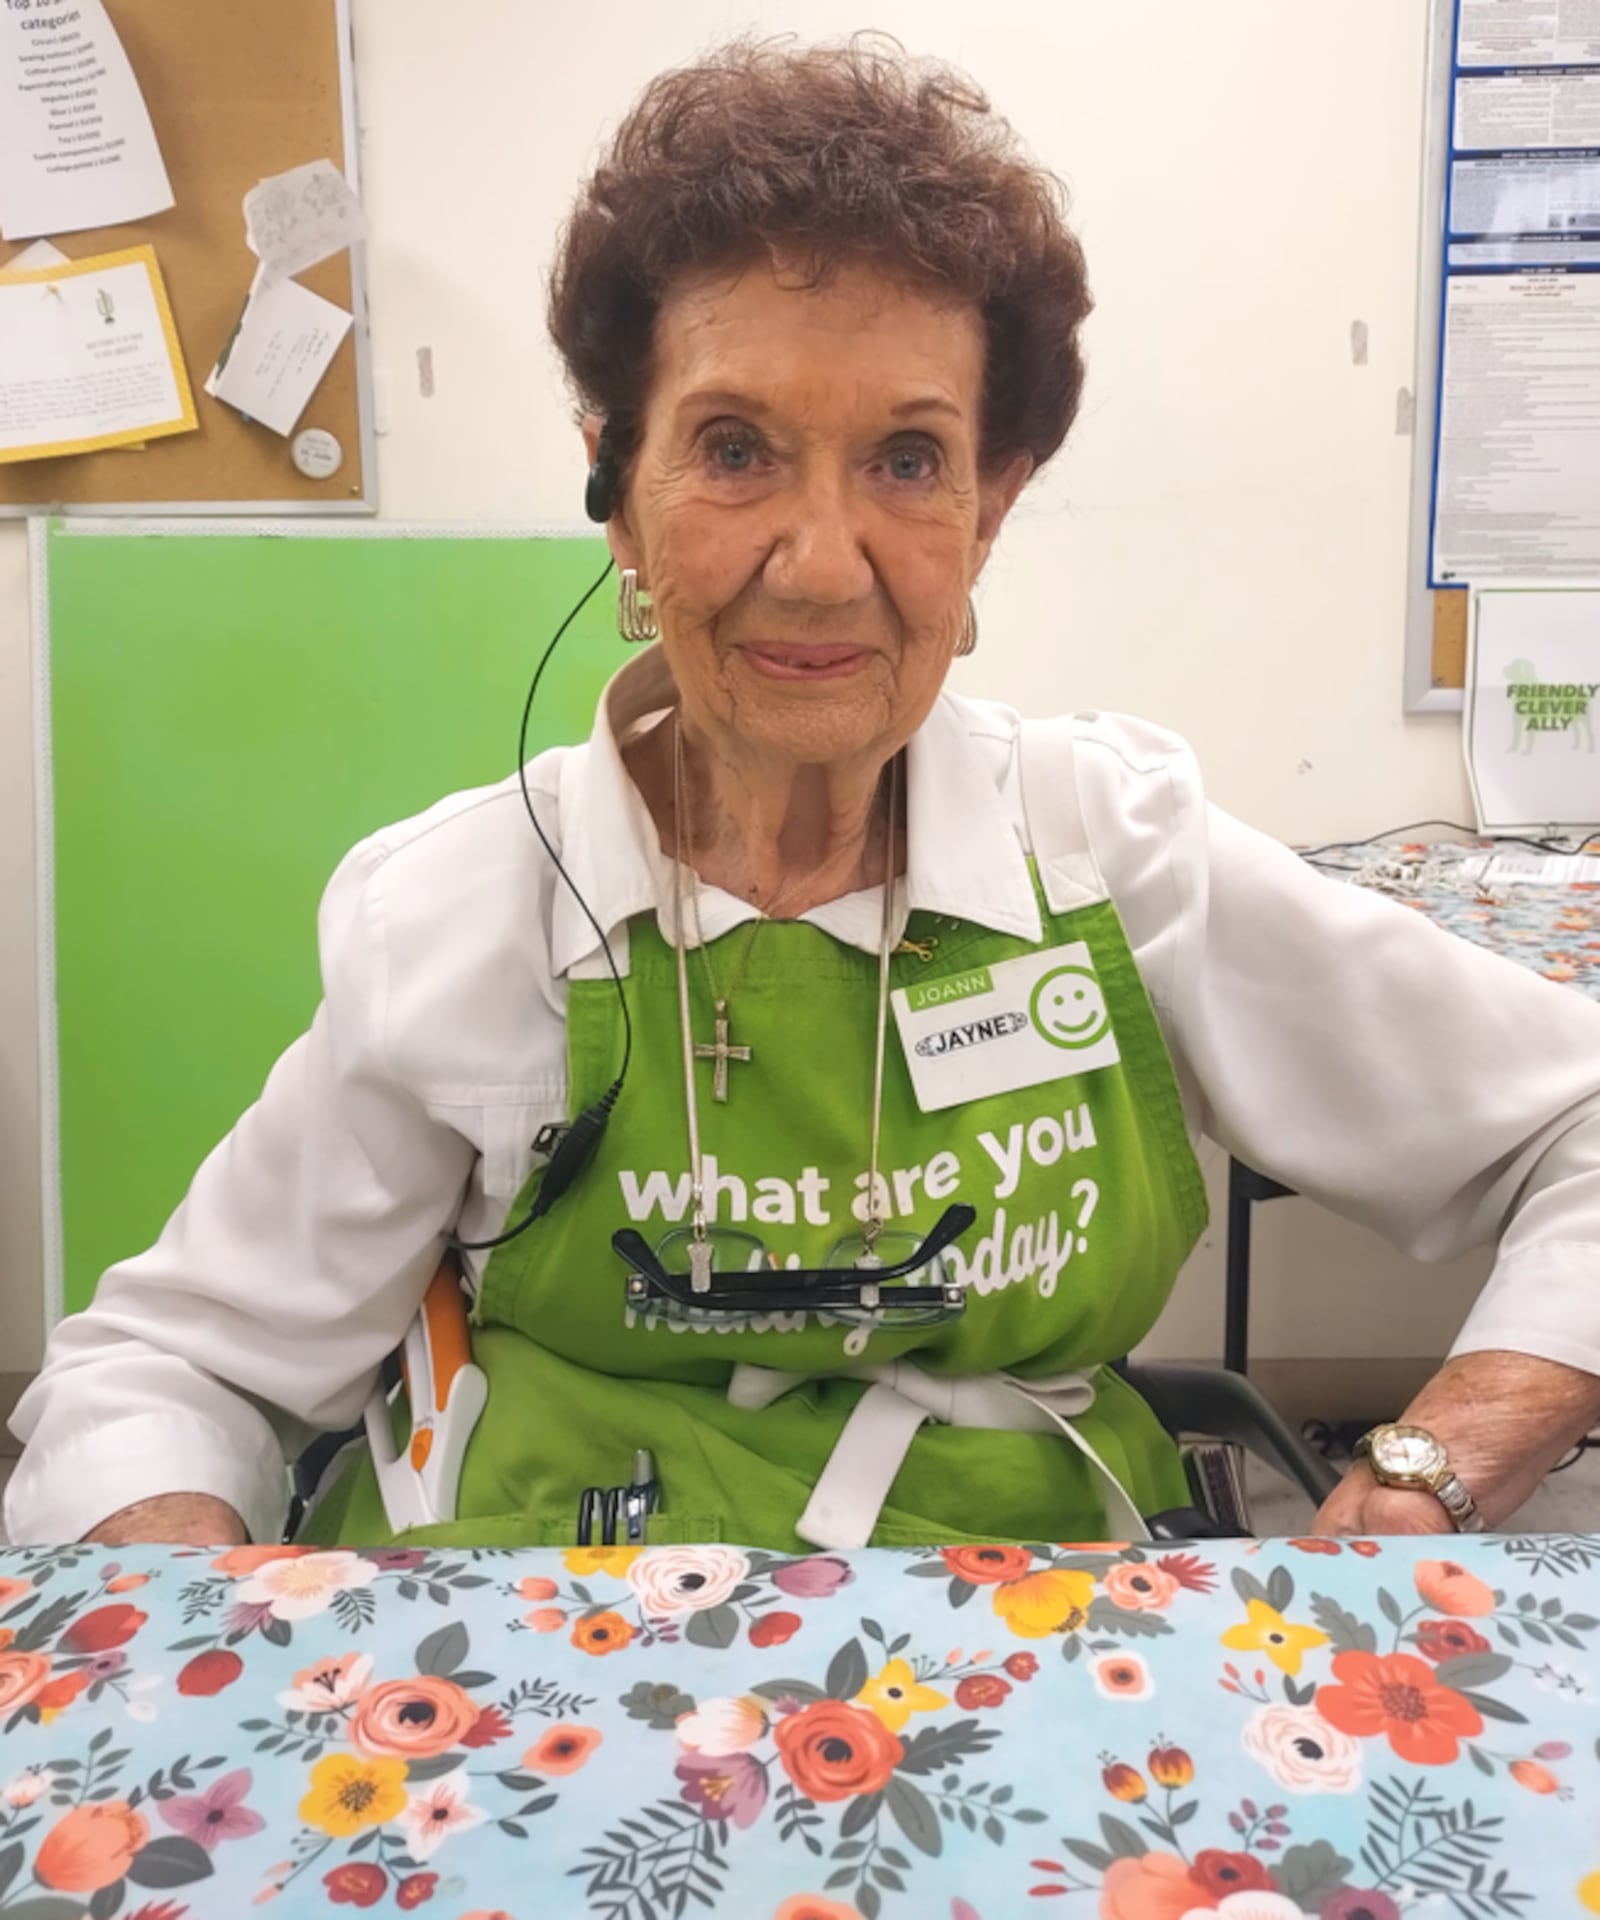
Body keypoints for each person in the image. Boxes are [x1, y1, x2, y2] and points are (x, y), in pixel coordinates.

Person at [8, 41, 1600, 1553]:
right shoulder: (466, 913)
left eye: (909, 460)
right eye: (735, 448)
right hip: (537, 1642)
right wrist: (197, 1620)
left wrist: (1427, 1470)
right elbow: (163, 1372)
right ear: (618, 495)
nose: (822, 564)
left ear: (991, 511)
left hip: (1037, 1648)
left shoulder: (1114, 857)